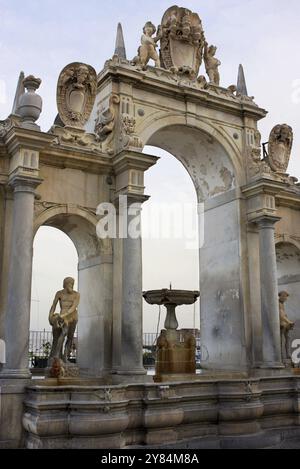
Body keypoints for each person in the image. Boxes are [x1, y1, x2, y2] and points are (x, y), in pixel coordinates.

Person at [49, 277, 80, 363]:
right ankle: (57, 356)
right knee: (63, 334)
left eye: (72, 283)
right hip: (63, 317)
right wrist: (50, 316)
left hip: (72, 316)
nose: (71, 285)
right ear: (65, 284)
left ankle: (65, 357)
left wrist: (64, 315)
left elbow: (74, 307)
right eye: (69, 283)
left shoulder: (76, 294)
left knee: (70, 337)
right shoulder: (59, 293)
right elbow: (53, 305)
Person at [279, 291, 295, 360]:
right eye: (285, 297)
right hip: (281, 324)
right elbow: (281, 315)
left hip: (284, 323)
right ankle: (281, 355)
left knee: (288, 338)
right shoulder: (278, 303)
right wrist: (289, 322)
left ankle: (288, 354)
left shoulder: (282, 304)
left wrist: (289, 322)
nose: (286, 298)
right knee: (280, 340)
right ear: (281, 296)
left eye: (286, 297)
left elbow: (284, 314)